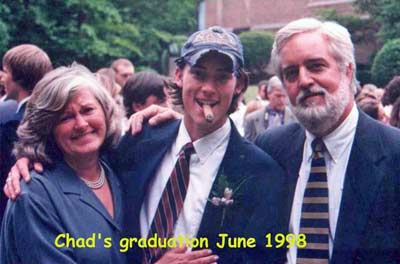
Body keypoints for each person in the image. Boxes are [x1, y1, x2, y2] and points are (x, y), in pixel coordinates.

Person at [253, 18, 400, 263]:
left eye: (316, 66)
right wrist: (173, 127)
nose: (304, 80)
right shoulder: (270, 148)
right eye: (291, 73)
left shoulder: (394, 153)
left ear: (348, 70)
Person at [0, 65, 126, 263]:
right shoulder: (33, 195)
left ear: (106, 111)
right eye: (65, 117)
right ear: (46, 127)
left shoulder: (118, 168)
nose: (81, 124)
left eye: (88, 110)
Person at [0, 44, 52, 220]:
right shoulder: (52, 117)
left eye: (5, 71)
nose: (2, 78)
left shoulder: (13, 124)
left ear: (17, 77)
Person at [244, 76, 296, 141]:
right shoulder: (252, 119)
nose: (282, 100)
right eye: (278, 96)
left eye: (284, 96)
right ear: (269, 94)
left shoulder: (296, 118)